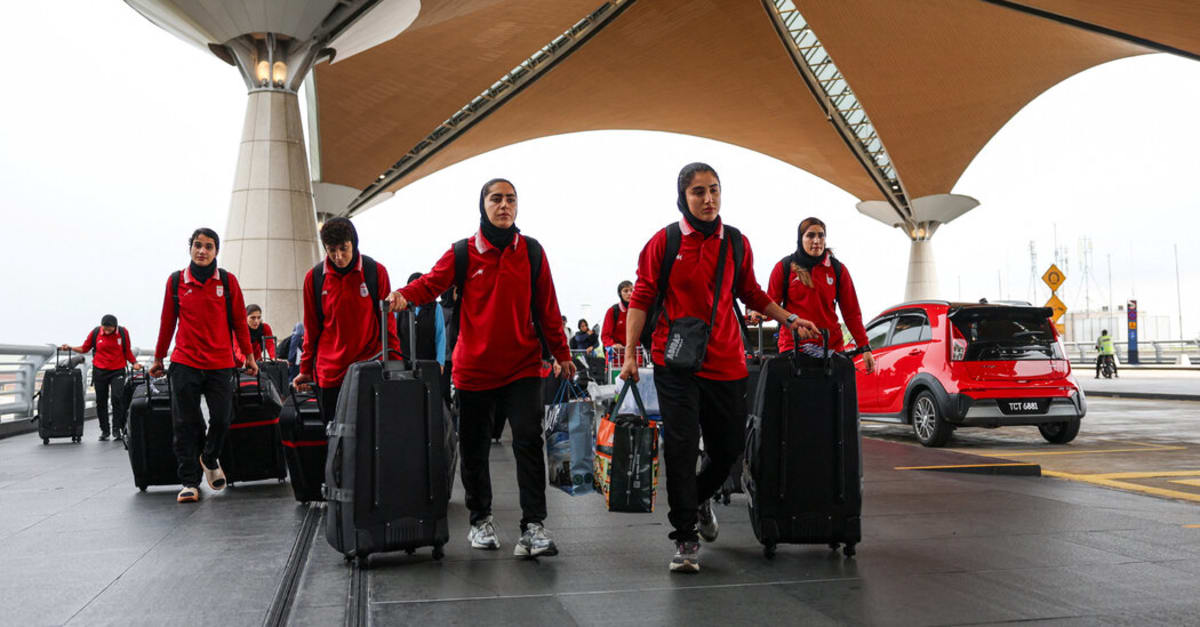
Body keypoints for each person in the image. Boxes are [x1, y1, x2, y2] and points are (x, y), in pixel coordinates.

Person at [620, 162, 818, 574]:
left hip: (726, 360)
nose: (708, 199)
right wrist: (630, 354)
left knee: (728, 449)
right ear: (683, 197)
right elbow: (641, 298)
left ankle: (697, 499)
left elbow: (751, 292)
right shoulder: (664, 242)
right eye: (698, 192)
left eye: (714, 189)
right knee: (679, 448)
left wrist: (789, 319)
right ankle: (685, 536)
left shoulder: (736, 242)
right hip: (675, 361)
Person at [388, 177, 574, 559]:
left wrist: (562, 353)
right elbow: (431, 283)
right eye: (496, 199)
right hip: (474, 369)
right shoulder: (463, 253)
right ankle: (480, 520)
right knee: (474, 448)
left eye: (511, 199)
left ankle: (533, 526)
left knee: (528, 441)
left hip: (523, 366)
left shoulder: (532, 252)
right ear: (483, 205)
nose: (504, 205)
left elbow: (548, 308)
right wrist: (403, 295)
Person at [150, 228, 257, 503]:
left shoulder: (228, 282)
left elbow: (239, 322)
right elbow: (167, 322)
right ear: (190, 249)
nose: (202, 251)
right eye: (197, 245)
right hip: (185, 362)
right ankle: (189, 482)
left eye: (209, 246)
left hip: (220, 363)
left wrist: (249, 355)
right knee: (185, 424)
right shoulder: (176, 281)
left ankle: (209, 457)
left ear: (216, 251)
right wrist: (159, 357)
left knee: (222, 417)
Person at [292, 218, 401, 423]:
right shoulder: (314, 278)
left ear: (354, 243)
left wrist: (394, 364)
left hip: (369, 367)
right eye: (332, 250)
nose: (338, 256)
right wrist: (305, 369)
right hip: (330, 373)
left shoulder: (375, 272)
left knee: (371, 431)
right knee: (334, 432)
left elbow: (388, 325)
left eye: (344, 248)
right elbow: (311, 329)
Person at [751, 217, 876, 373]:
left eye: (821, 235)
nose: (816, 240)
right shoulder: (784, 267)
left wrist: (865, 347)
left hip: (831, 349)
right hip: (793, 348)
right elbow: (771, 306)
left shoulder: (837, 269)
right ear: (800, 239)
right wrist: (759, 313)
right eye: (810, 235)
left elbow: (852, 313)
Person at [60, 314, 142, 441]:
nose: (107, 330)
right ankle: (105, 430)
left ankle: (117, 428)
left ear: (115, 326)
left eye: (110, 328)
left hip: (117, 370)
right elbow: (84, 348)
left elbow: (127, 351)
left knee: (117, 398)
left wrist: (134, 363)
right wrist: (70, 347)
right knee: (101, 401)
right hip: (100, 370)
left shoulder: (123, 332)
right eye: (105, 328)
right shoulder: (96, 332)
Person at [396, 272, 447, 370]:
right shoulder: (400, 308)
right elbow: (394, 334)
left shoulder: (435, 307)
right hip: (403, 364)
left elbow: (440, 336)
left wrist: (440, 362)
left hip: (428, 363)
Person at [601, 280, 633, 352]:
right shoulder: (612, 311)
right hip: (617, 355)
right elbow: (605, 335)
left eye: (632, 290)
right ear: (619, 293)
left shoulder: (639, 311)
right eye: (626, 291)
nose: (629, 293)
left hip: (636, 354)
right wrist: (613, 344)